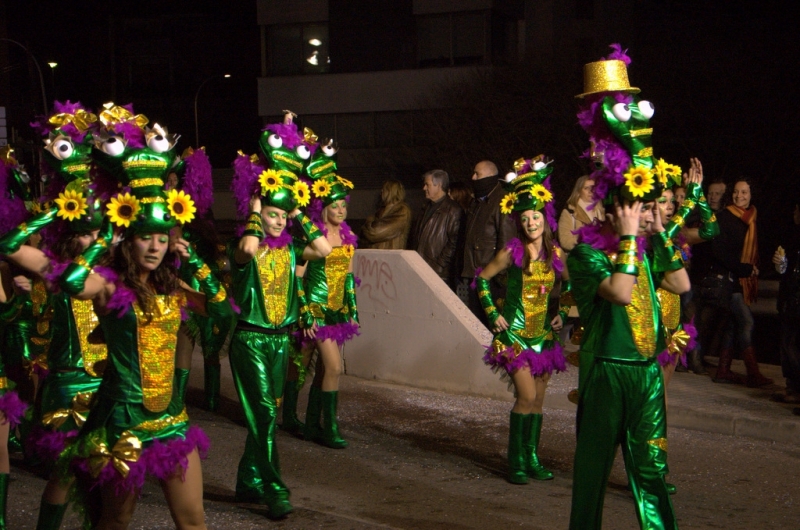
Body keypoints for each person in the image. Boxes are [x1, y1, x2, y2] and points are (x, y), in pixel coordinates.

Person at [51, 104, 227, 529]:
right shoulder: (111, 285)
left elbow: (219, 309)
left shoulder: (172, 286)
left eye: (161, 239)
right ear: (127, 240)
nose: (155, 248)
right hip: (124, 425)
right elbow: (74, 283)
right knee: (115, 522)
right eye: (144, 238)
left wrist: (197, 263)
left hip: (171, 422)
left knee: (193, 521)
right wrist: (101, 244)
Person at [570, 44, 688, 529]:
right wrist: (630, 237)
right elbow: (619, 292)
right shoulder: (587, 251)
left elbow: (680, 284)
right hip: (606, 373)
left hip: (645, 374)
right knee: (593, 474)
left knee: (652, 470)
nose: (639, 209)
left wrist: (659, 233)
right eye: (632, 204)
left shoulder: (645, 241)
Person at [227, 114, 332, 518]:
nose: (277, 221)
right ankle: (273, 488)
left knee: (264, 413)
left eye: (280, 217)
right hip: (250, 339)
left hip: (279, 341)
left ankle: (246, 481)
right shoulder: (244, 247)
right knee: (267, 414)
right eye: (272, 214)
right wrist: (257, 209)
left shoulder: (290, 250)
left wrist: (297, 211)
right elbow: (249, 250)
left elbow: (323, 250)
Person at [474, 156, 569, 485]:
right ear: (519, 221)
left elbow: (568, 285)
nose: (531, 223)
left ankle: (531, 457)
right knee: (526, 397)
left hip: (544, 336)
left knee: (539, 401)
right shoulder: (511, 251)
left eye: (536, 217)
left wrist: (562, 313)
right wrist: (493, 313)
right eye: (525, 218)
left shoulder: (555, 253)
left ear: (545, 217)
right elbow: (482, 280)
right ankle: (515, 460)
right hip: (514, 337)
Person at [284, 156, 359, 448]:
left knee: (323, 369)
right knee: (305, 366)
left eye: (344, 206)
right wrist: (305, 313)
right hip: (314, 311)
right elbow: (298, 276)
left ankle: (315, 425)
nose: (340, 210)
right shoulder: (313, 236)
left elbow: (350, 279)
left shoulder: (348, 237)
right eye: (335, 206)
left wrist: (352, 310)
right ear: (324, 208)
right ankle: (305, 421)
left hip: (337, 312)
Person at [705, 178, 772, 386]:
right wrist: (745, 269)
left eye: (744, 192)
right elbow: (719, 252)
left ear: (751, 195)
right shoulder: (724, 216)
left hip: (742, 282)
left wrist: (754, 269)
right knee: (747, 321)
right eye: (736, 192)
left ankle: (723, 370)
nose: (739, 196)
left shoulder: (752, 219)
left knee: (733, 325)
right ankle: (753, 373)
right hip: (730, 280)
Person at [461, 160, 516, 325]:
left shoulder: (503, 201)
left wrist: (499, 276)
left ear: (491, 176)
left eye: (478, 174)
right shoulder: (477, 202)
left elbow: (507, 242)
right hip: (475, 274)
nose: (473, 177)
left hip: (491, 278)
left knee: (491, 326)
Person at [408, 169, 461, 287]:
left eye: (427, 184)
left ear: (439, 185)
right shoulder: (425, 207)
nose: (424, 188)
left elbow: (453, 242)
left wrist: (439, 266)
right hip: (422, 269)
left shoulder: (452, 210)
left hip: (438, 274)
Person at [772, 202, 800, 406]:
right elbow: (787, 271)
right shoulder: (793, 237)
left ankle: (796, 389)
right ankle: (792, 386)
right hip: (790, 299)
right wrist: (780, 264)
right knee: (787, 342)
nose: (795, 214)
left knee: (793, 344)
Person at [557, 175, 605, 253]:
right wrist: (585, 240)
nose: (591, 191)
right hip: (580, 259)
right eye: (586, 188)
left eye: (593, 187)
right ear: (578, 192)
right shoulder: (570, 212)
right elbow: (564, 241)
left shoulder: (601, 212)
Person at [361, 179, 411, 249]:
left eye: (384, 189)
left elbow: (374, 232)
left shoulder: (401, 210)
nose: (381, 192)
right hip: (378, 257)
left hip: (390, 257)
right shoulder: (382, 209)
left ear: (390, 191)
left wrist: (369, 221)